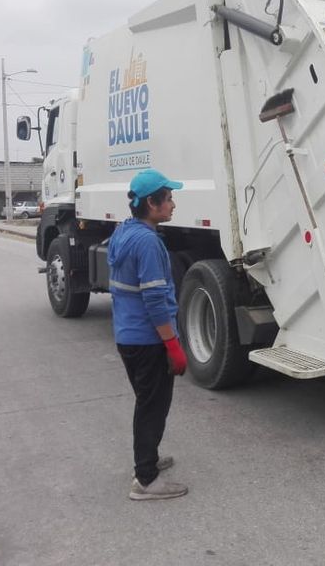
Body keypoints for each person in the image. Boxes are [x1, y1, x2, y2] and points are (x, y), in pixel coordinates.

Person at [108, 168, 189, 501]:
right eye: (168, 198)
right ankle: (146, 479)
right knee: (152, 407)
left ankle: (149, 459)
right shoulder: (148, 242)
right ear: (152, 204)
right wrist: (172, 344)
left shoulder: (123, 231)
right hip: (147, 339)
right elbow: (155, 299)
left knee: (148, 402)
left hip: (128, 336)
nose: (173, 204)